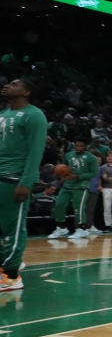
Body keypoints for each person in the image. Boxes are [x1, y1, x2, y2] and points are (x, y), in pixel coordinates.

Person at [0, 79, 47, 291]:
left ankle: (11, 276)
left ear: (26, 92)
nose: (7, 85)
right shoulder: (3, 114)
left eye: (14, 84)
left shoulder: (34, 115)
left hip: (15, 179)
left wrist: (26, 181)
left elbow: (35, 151)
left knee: (13, 229)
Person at [50, 135, 99, 239]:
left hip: (81, 186)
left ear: (85, 146)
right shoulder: (68, 155)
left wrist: (79, 176)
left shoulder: (91, 158)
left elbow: (94, 173)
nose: (78, 148)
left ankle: (82, 229)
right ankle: (61, 228)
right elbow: (65, 168)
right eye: (77, 145)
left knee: (78, 208)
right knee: (59, 205)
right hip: (67, 185)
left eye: (81, 146)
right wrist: (63, 176)